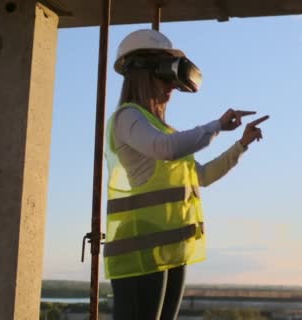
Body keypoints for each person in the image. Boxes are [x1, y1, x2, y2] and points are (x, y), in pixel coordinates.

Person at [103, 29, 269, 320]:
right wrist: (216, 125)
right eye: (165, 77)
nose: (171, 87)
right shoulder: (127, 118)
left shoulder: (164, 131)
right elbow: (164, 148)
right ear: (142, 73)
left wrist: (240, 145)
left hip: (169, 247)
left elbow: (201, 176)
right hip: (139, 247)